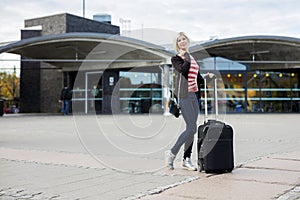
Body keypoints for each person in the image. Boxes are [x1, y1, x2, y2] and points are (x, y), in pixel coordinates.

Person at [165, 32, 214, 170]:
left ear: (187, 41)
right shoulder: (176, 59)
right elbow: (182, 70)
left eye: (184, 39)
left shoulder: (192, 58)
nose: (182, 41)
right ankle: (172, 153)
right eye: (179, 40)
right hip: (184, 96)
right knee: (191, 128)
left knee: (191, 129)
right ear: (177, 44)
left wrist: (207, 77)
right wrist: (185, 57)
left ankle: (186, 159)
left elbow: (197, 78)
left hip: (194, 96)